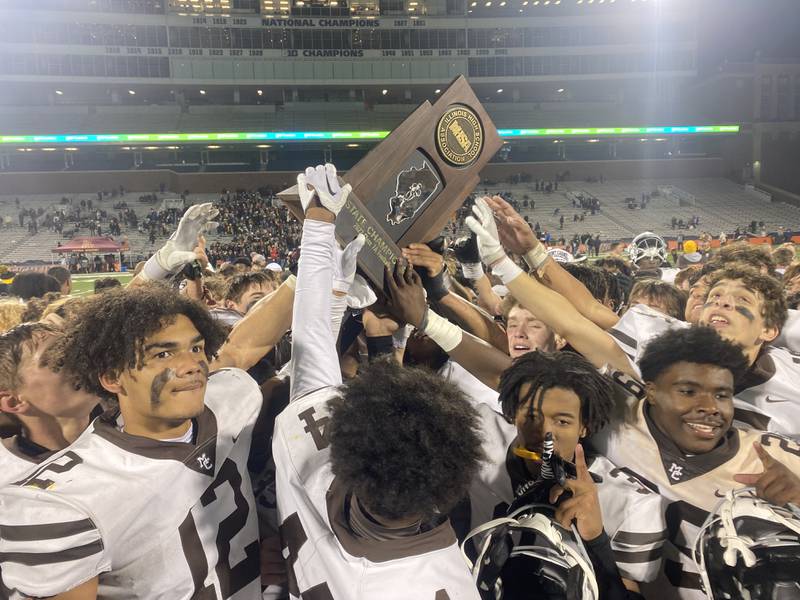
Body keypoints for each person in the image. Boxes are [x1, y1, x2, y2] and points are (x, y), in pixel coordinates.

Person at [273, 163, 484, 598]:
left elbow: (310, 346)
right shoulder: (455, 578)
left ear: (345, 448)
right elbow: (312, 350)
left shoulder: (312, 454)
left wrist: (319, 229)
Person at [0, 285, 267, 598]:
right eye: (163, 354)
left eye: (196, 348)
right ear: (111, 377)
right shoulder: (57, 505)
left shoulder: (232, 396)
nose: (192, 364)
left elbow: (240, 351)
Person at [595, 327, 800, 599]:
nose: (710, 407)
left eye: (721, 395)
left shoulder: (774, 457)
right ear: (652, 392)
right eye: (689, 391)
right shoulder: (615, 411)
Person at [0, 323, 101, 487]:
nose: (81, 361)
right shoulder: (7, 478)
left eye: (76, 349)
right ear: (13, 401)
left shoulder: (130, 429)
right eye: (56, 358)